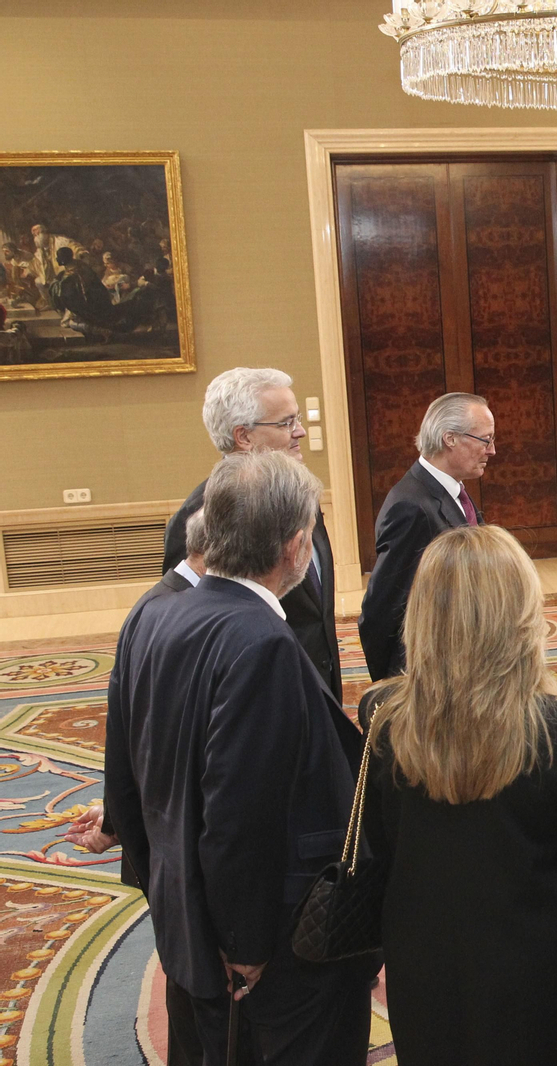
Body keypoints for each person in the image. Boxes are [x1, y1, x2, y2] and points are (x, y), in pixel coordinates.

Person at [103, 451, 374, 1065]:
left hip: (187, 916)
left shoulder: (155, 609)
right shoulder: (262, 642)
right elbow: (239, 814)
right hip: (268, 949)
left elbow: (126, 768)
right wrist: (243, 944)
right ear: (297, 547)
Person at [360, 525, 557, 1065]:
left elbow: (378, 855)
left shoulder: (384, 723)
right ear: (522, 615)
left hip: (428, 974)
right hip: (544, 975)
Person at [66, 508, 212, 1066]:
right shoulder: (184, 614)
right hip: (183, 852)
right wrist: (124, 823)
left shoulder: (161, 605)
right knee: (199, 1005)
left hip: (168, 846)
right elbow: (144, 739)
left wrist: (116, 819)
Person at [161, 367, 341, 703]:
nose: (300, 431)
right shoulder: (200, 517)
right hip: (257, 696)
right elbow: (191, 633)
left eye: (297, 418)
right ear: (244, 436)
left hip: (317, 687)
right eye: (286, 422)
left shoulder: (299, 495)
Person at [358, 392, 494, 683]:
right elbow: (381, 610)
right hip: (432, 676)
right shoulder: (411, 506)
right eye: (485, 440)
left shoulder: (452, 490)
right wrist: (393, 688)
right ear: (450, 439)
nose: (492, 450)